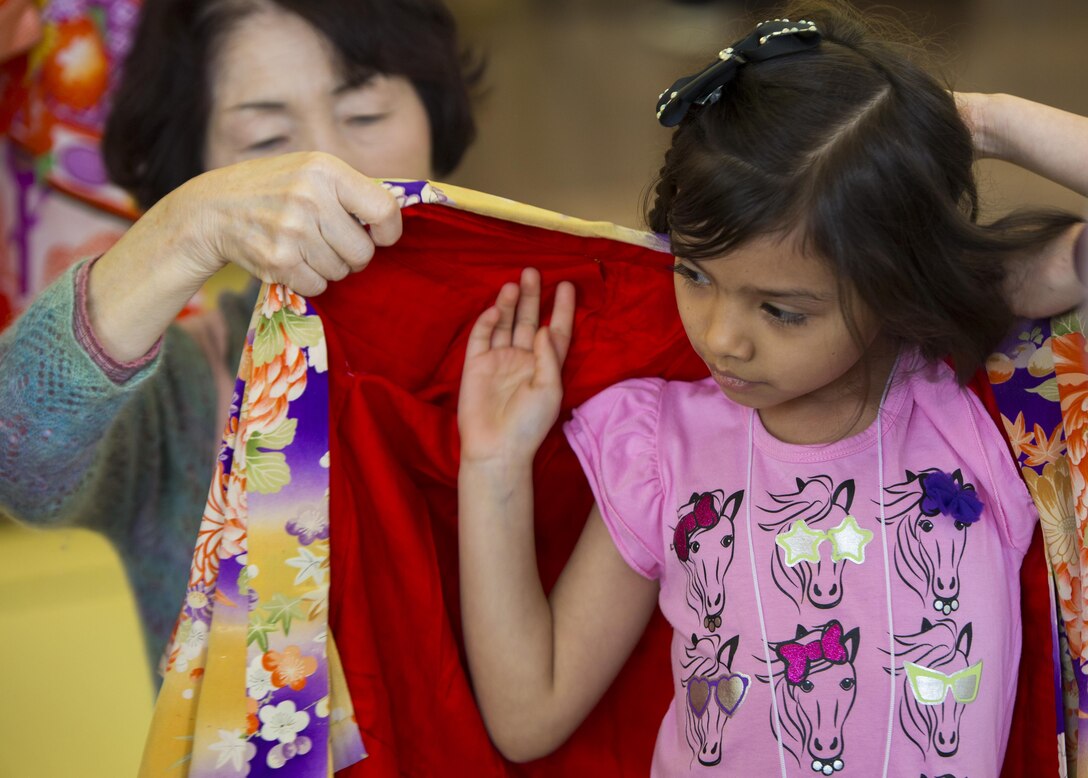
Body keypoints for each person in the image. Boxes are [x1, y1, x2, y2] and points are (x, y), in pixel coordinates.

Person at [456, 3, 1086, 775]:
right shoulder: (660, 449)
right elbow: (529, 715)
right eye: (693, 274)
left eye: (781, 310)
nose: (723, 338)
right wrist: (491, 465)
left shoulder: (980, 414)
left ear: (894, 284)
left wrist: (975, 122)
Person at [0, 0, 479, 667]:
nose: (324, 166)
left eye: (365, 114)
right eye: (264, 142)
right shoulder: (185, 395)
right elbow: (16, 456)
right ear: (196, 165)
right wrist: (184, 227)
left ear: (434, 110)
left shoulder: (552, 331)